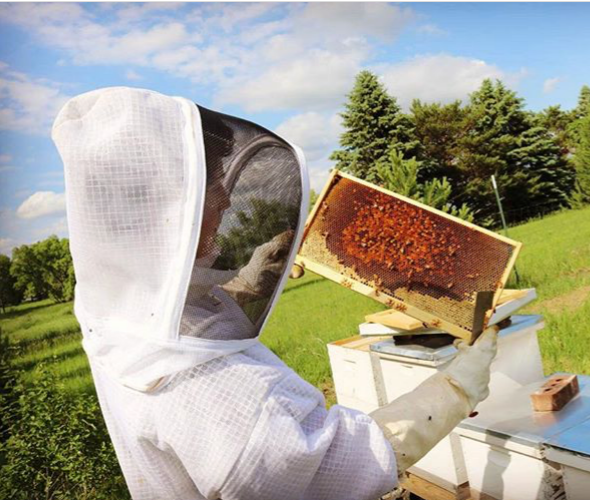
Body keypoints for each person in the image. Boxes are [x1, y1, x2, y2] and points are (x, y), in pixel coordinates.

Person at [52, 87, 499, 500]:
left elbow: (183, 315)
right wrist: (456, 389)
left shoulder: (115, 313)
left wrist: (246, 283)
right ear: (169, 207)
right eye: (213, 186)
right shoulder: (219, 390)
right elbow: (333, 467)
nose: (226, 201)